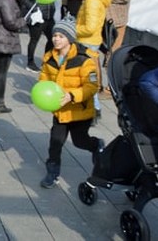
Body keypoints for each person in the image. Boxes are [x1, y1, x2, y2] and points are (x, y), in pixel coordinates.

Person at [38, 17, 103, 188]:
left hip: (79, 111)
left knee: (80, 142)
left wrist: (72, 96)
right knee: (55, 143)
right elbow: (43, 80)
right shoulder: (49, 58)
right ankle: (52, 173)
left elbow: (92, 86)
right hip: (59, 110)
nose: (56, 39)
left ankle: (96, 145)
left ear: (70, 38)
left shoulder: (84, 59)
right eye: (55, 35)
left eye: (61, 36)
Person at [20, 0, 55, 72]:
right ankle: (30, 62)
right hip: (38, 16)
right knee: (34, 39)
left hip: (49, 15)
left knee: (52, 38)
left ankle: (47, 59)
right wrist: (35, 9)